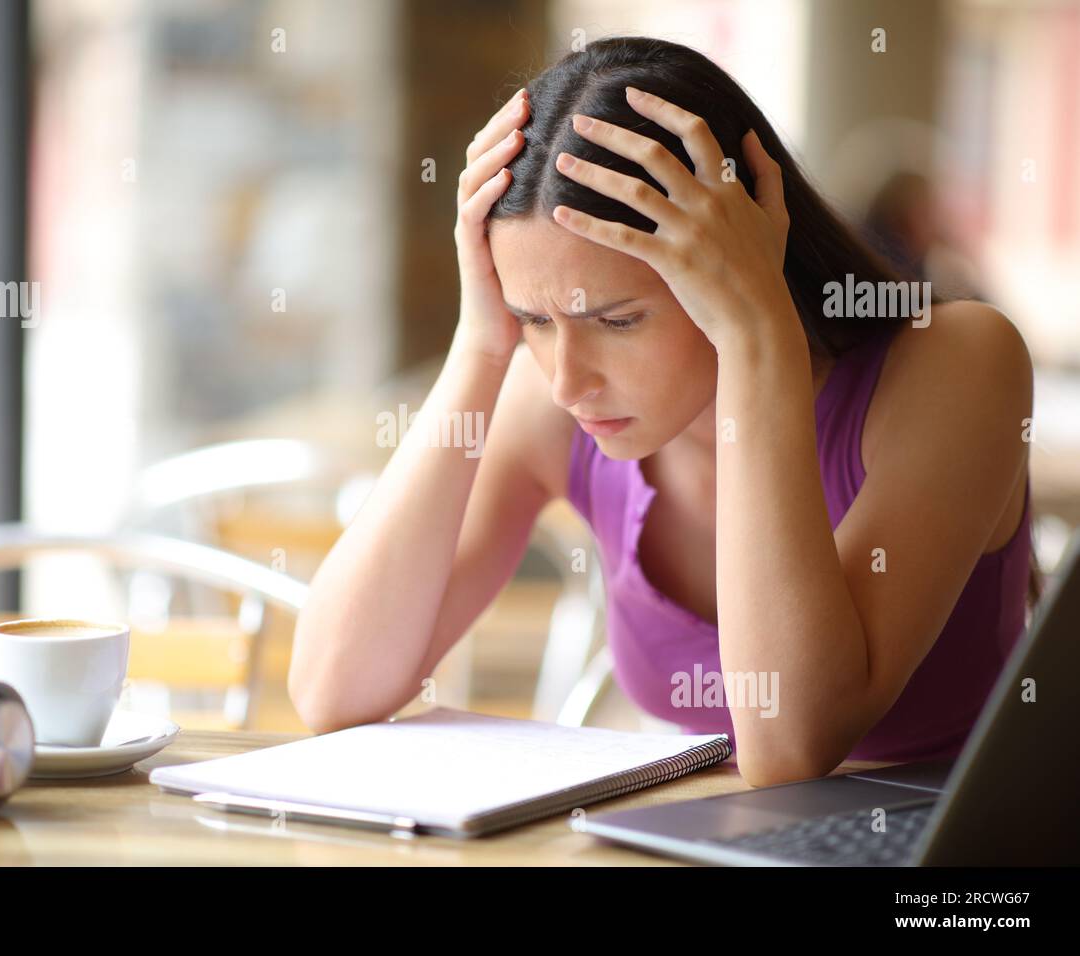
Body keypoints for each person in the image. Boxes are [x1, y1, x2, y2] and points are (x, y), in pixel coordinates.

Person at [288, 36, 1038, 787]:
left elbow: (790, 746)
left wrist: (756, 333)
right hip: (695, 840)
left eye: (618, 321)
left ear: (738, 256)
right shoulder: (545, 394)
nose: (566, 382)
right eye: (536, 320)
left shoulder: (959, 364)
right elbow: (334, 688)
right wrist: (480, 342)